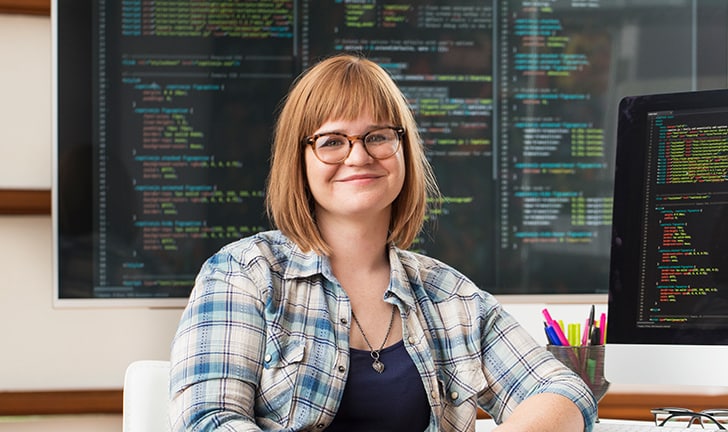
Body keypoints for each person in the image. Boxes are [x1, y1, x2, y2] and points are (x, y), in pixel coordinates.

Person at [169, 53, 597, 431]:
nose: (359, 156)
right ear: (298, 161)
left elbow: (562, 389)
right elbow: (209, 420)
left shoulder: (449, 297)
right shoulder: (243, 274)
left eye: (378, 136)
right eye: (332, 141)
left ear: (403, 150)